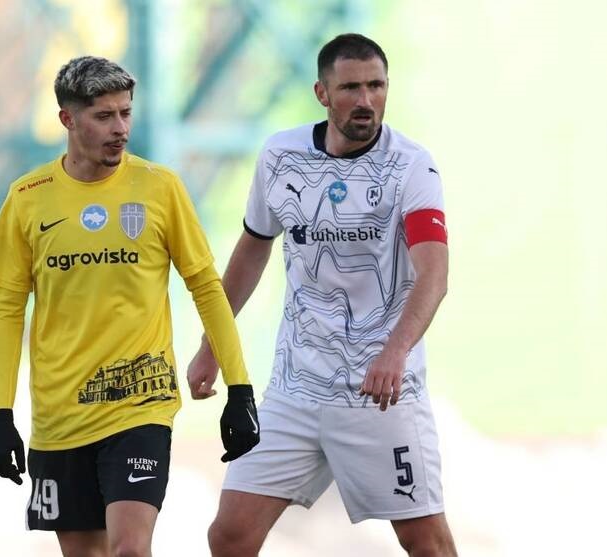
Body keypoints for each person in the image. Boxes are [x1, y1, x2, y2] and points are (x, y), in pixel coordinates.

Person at [187, 34, 458, 556]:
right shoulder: (280, 156)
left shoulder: (412, 167)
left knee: (427, 543)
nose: (366, 100)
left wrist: (395, 352)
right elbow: (252, 248)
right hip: (296, 389)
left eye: (376, 85)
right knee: (229, 534)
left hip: (379, 394)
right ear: (322, 93)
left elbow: (434, 275)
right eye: (351, 87)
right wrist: (211, 345)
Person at [0, 56, 260, 557]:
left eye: (126, 113)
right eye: (104, 116)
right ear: (68, 119)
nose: (120, 129)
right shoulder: (27, 198)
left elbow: (205, 286)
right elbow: (7, 312)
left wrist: (240, 388)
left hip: (140, 405)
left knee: (129, 548)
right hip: (60, 416)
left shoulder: (159, 187)